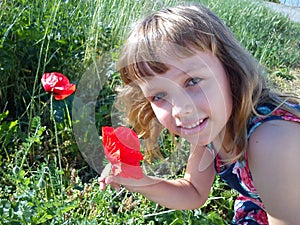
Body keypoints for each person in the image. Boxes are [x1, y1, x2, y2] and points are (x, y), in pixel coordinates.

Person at [98, 3, 300, 224]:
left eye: (192, 81)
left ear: (230, 70)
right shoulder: (211, 128)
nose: (181, 109)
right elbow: (193, 191)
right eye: (159, 96)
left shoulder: (273, 141)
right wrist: (137, 180)